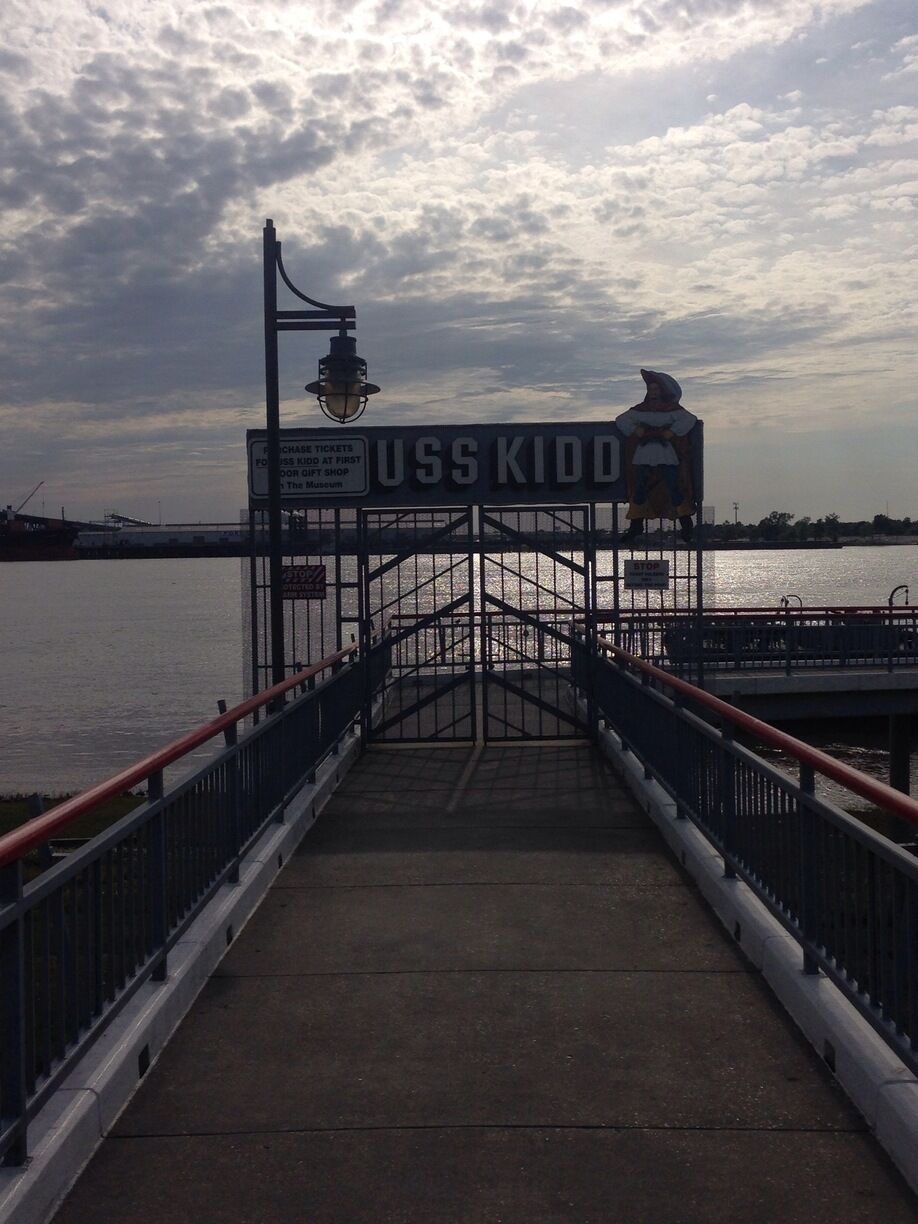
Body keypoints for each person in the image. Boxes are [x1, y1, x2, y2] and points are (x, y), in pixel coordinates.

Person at [615, 369, 697, 543]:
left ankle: (686, 524)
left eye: (656, 389)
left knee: (674, 486)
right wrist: (638, 430)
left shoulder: (672, 410)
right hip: (644, 453)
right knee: (639, 489)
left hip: (665, 453)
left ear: (662, 391)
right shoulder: (640, 410)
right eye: (650, 390)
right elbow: (621, 419)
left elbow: (689, 419)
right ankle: (636, 525)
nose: (653, 393)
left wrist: (670, 432)